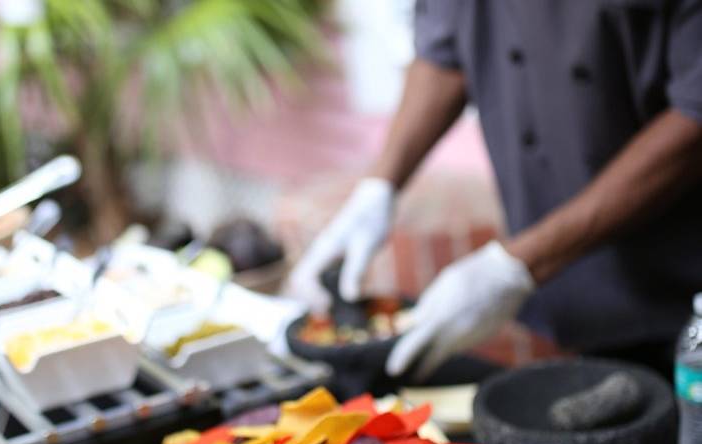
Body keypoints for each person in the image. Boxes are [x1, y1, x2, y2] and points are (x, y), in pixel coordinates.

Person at [288, 1, 702, 381]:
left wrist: (518, 265)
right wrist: (379, 185)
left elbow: (695, 117)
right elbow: (444, 49)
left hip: (681, 280)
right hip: (570, 276)